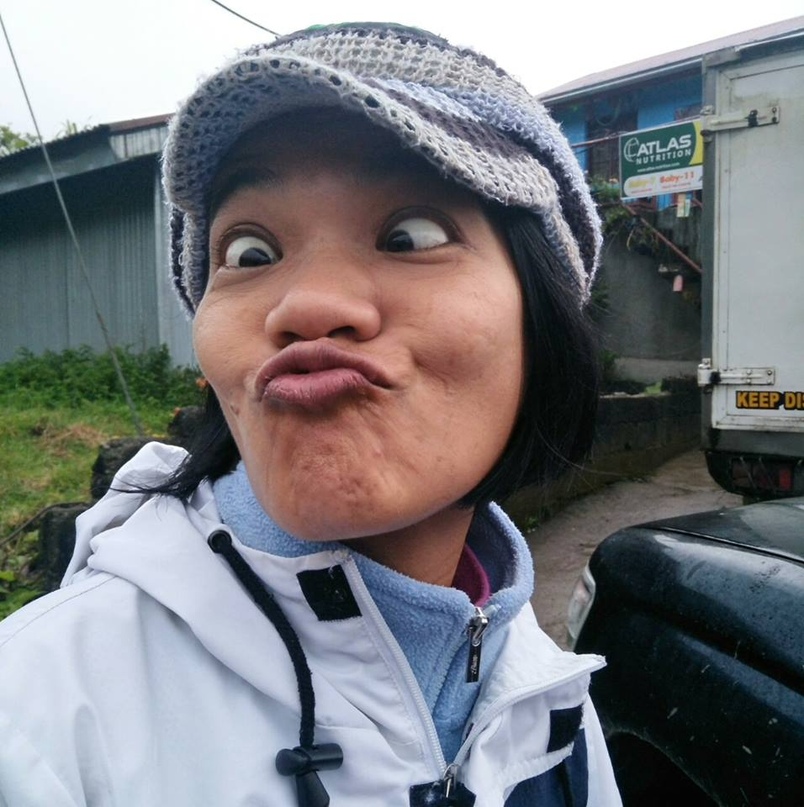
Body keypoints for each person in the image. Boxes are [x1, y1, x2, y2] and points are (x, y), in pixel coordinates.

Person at [0, 22, 621, 807]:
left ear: (543, 315)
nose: (306, 305)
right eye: (250, 253)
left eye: (410, 235)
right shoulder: (38, 719)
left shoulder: (546, 699)